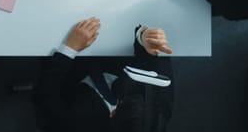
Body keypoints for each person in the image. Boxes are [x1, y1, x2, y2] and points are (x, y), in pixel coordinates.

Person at [34, 17, 174, 132]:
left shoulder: (72, 124)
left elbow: (46, 92)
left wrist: (70, 48)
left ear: (112, 114)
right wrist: (144, 38)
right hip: (116, 52)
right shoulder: (155, 110)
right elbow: (153, 60)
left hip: (71, 68)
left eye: (127, 95)